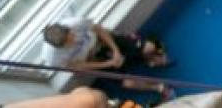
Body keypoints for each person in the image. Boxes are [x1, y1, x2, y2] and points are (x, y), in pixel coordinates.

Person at [40, 18, 174, 100]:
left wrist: (115, 50)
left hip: (102, 41)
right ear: (60, 47)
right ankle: (159, 88)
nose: (74, 40)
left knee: (149, 48)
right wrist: (108, 63)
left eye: (72, 36)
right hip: (92, 59)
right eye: (69, 43)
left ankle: (148, 59)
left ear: (69, 29)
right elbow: (78, 67)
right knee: (129, 83)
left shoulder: (75, 22)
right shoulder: (52, 57)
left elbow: (100, 30)